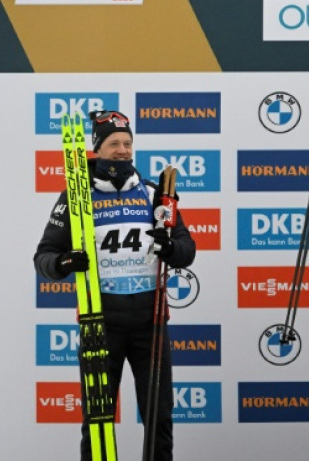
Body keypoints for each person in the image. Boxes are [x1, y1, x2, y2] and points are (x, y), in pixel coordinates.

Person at [34, 110, 196, 461]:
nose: (123, 150)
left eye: (127, 143)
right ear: (97, 148)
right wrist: (64, 263)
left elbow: (187, 249)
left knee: (159, 417)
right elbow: (44, 257)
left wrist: (171, 248)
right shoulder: (77, 197)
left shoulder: (154, 194)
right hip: (101, 325)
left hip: (149, 325)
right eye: (114, 144)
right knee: (96, 422)